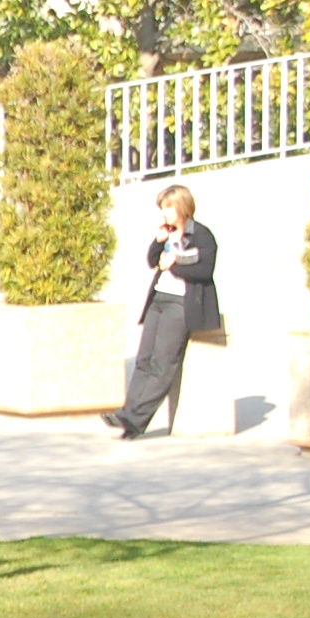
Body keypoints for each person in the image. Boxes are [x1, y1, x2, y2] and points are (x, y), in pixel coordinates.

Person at [104, 183, 220, 439]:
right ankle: (128, 415)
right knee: (144, 359)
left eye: (168, 208)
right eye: (162, 208)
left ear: (181, 207)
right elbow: (152, 261)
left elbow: (205, 270)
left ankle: (134, 419)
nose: (164, 213)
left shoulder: (201, 235)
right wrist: (158, 243)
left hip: (181, 304)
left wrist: (174, 266)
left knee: (163, 364)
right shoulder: (168, 233)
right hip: (158, 299)